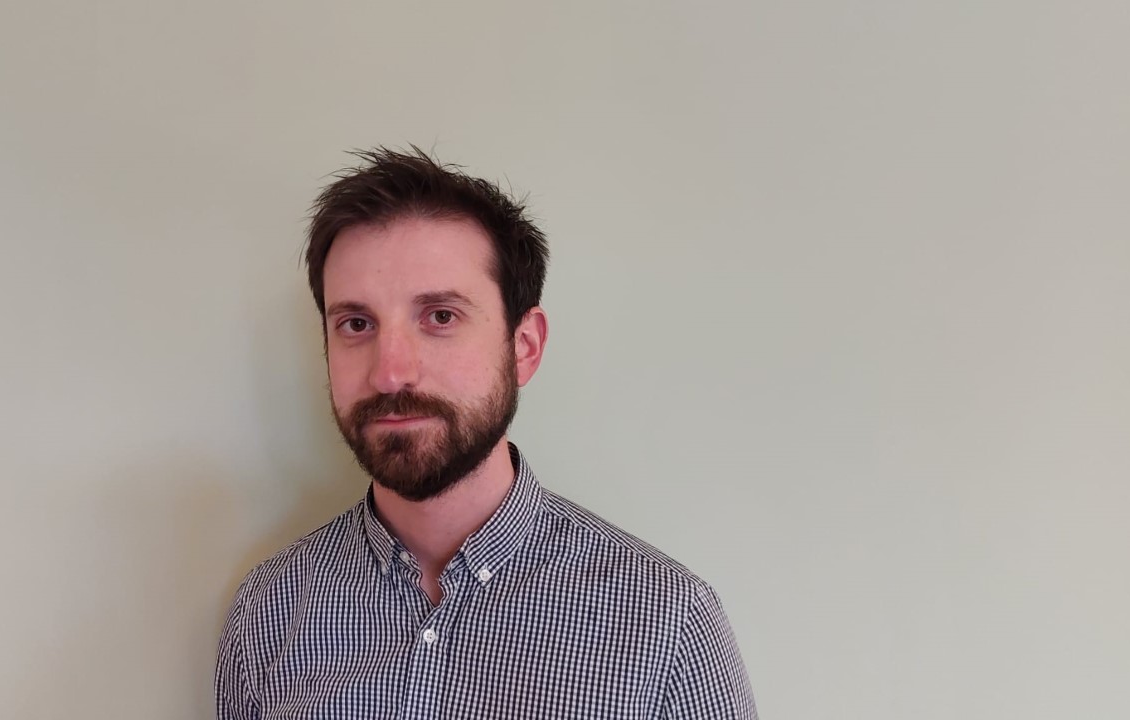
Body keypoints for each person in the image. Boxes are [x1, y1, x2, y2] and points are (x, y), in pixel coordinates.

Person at [214, 147, 758, 719]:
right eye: (356, 324)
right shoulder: (267, 612)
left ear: (524, 347)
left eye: (440, 317)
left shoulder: (666, 626)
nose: (390, 371)